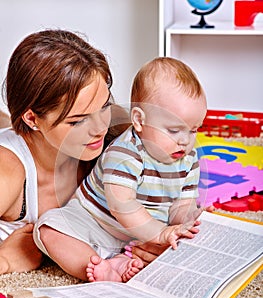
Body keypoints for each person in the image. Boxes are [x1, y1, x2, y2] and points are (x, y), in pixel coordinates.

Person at [34, 57, 207, 282]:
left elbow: (181, 205)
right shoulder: (125, 152)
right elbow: (122, 205)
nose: (185, 141)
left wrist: (190, 219)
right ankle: (100, 267)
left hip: (143, 235)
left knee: (183, 247)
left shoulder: (188, 159)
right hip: (96, 222)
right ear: (139, 120)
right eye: (174, 130)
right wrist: (160, 234)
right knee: (49, 228)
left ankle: (125, 262)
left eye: (193, 130)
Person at [0, 28, 129, 274]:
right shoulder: (7, 171)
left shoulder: (114, 137)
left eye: (104, 107)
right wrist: (4, 260)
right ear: (32, 118)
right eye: (78, 121)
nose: (100, 128)